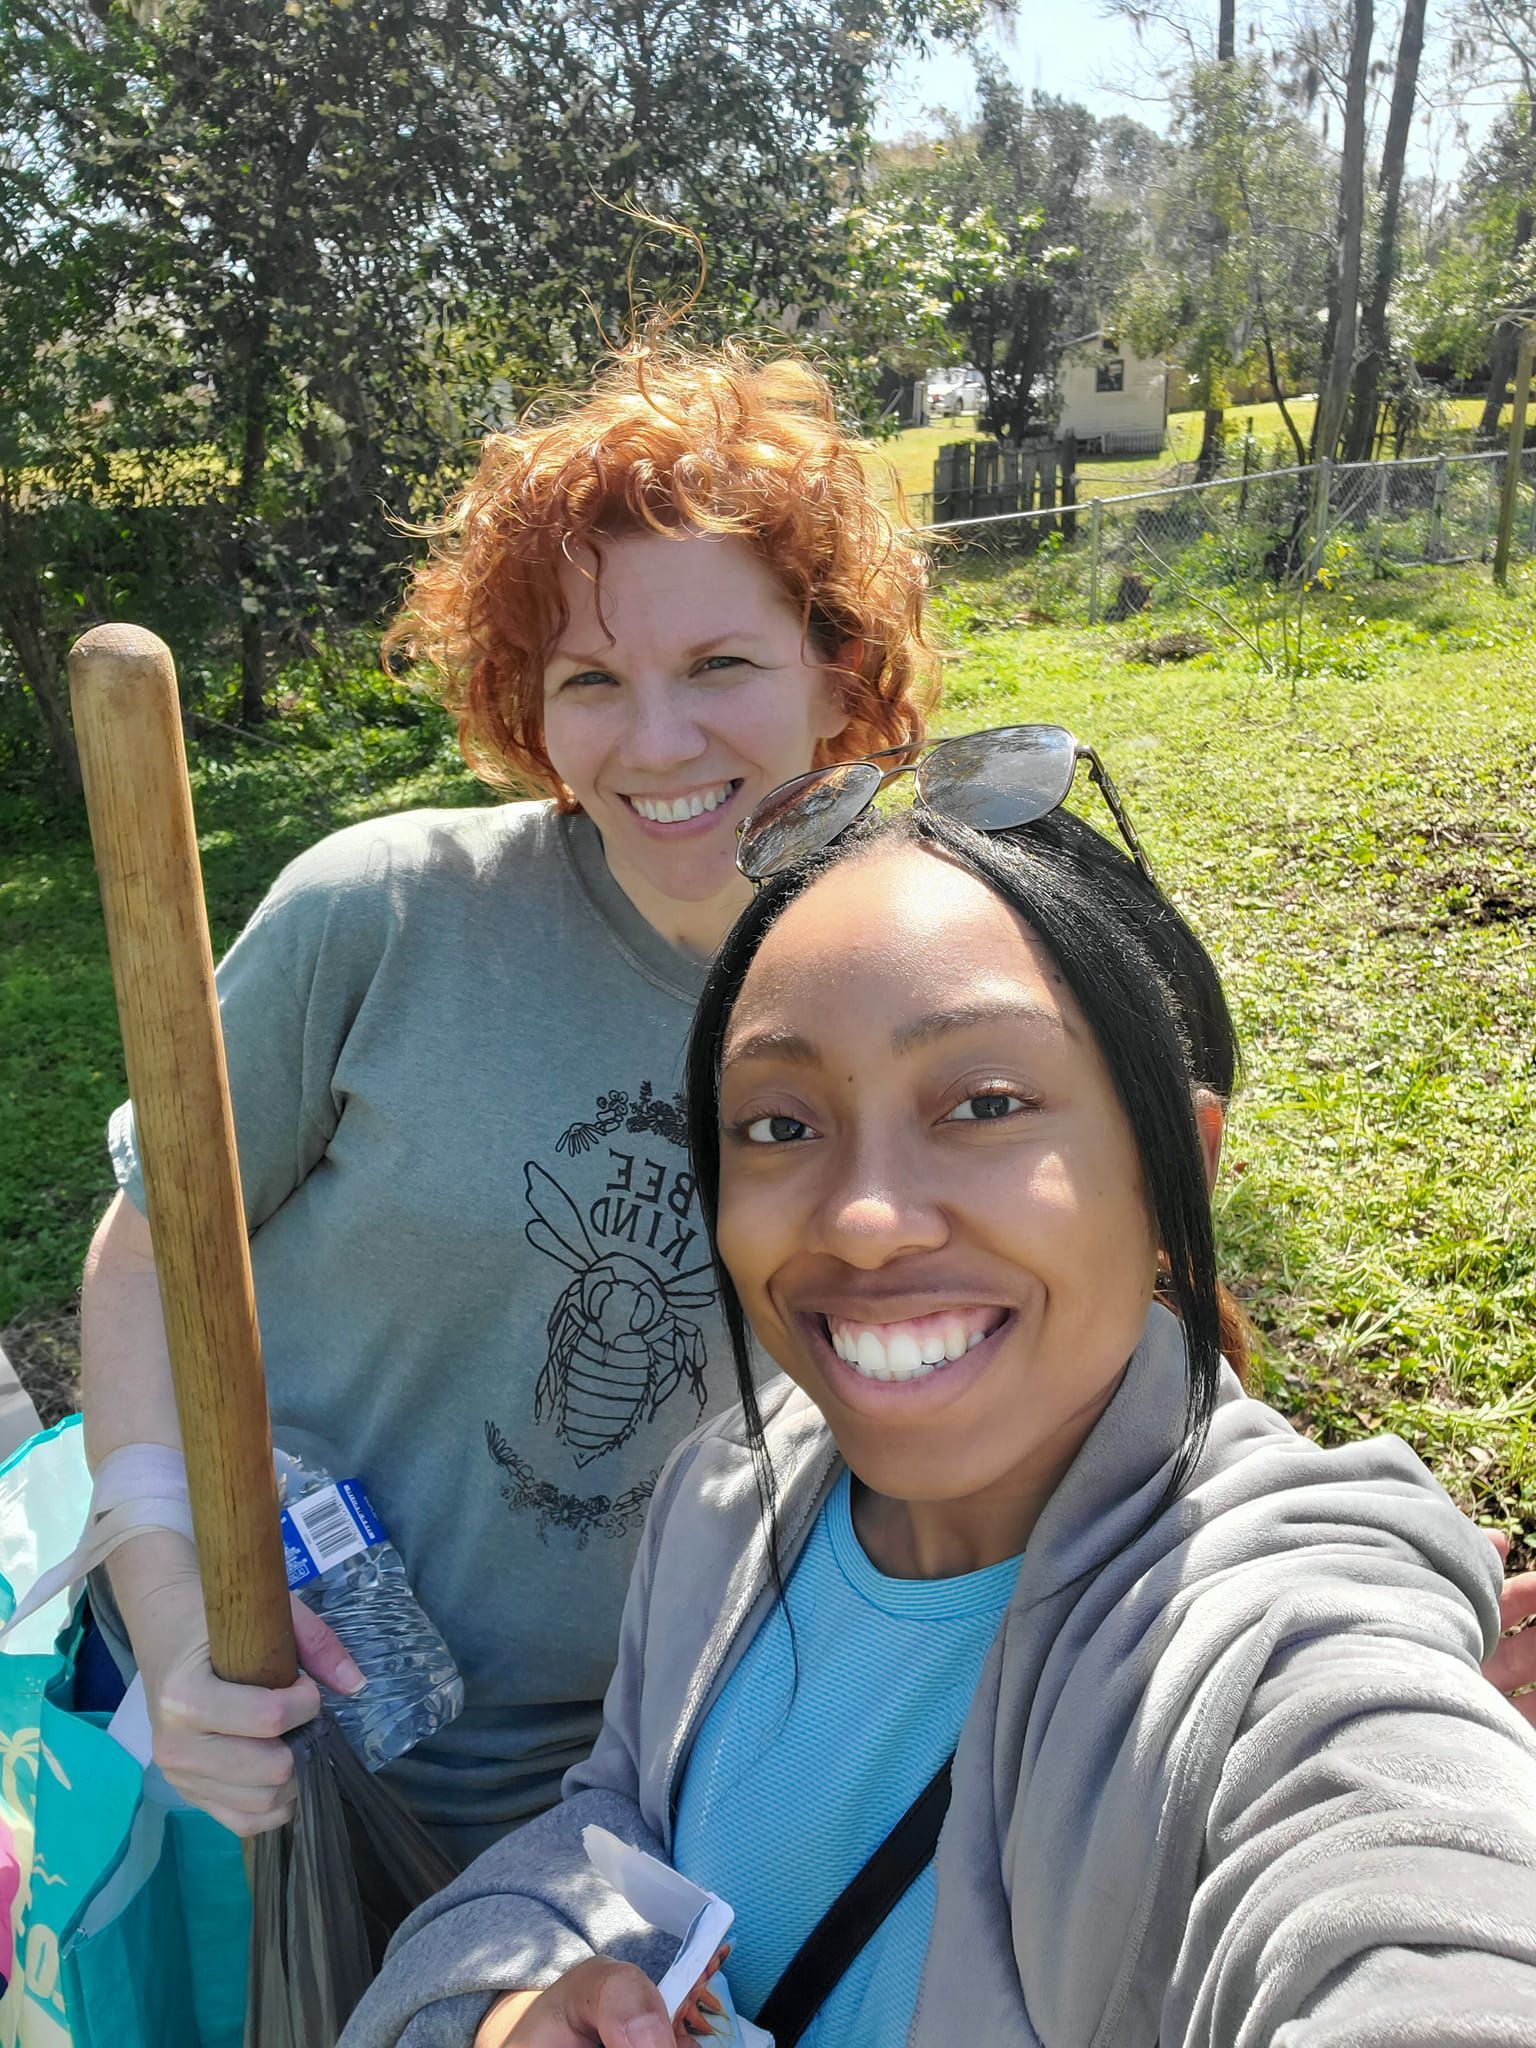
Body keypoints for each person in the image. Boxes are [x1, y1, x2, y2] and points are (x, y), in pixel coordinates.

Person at [338, 753, 1536, 2048]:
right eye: (781, 1125)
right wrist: (510, 2015)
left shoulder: (1275, 1648)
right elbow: (616, 1823)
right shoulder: (732, 1494)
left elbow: (1413, 1913)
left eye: (986, 1102)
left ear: (1176, 1170)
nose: (860, 1222)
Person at [78, 342, 936, 1864]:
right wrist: (161, 1594)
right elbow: (150, 1251)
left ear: (841, 669)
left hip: (680, 1788)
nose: (658, 744)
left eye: (722, 666)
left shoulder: (905, 985)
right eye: (593, 680)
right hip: (290, 1749)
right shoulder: (386, 916)